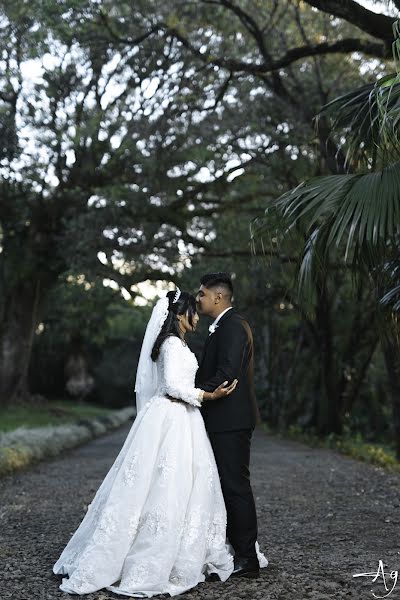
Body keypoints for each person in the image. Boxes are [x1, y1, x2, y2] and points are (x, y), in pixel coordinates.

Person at [53, 289, 239, 597]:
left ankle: (185, 548)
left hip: (185, 418)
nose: (196, 316)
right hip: (172, 416)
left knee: (184, 484)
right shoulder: (169, 345)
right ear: (180, 315)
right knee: (161, 484)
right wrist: (210, 395)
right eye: (192, 310)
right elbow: (172, 386)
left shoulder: (179, 344)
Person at [195, 272, 266, 579]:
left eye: (201, 294)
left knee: (236, 487)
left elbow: (227, 372)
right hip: (222, 419)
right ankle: (233, 550)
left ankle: (247, 558)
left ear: (218, 297)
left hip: (230, 420)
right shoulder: (222, 326)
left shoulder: (234, 326)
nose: (198, 299)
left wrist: (195, 395)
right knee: (225, 485)